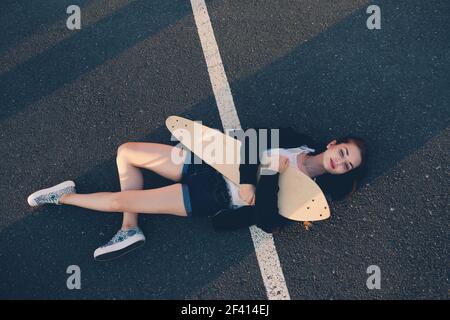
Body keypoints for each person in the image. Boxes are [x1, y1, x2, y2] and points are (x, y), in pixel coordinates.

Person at [27, 127, 367, 261]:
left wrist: (269, 176)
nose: (341, 162)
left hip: (213, 197)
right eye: (344, 152)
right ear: (333, 144)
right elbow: (252, 138)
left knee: (120, 199)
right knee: (127, 151)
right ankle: (129, 227)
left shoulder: (309, 198)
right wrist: (250, 180)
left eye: (348, 165)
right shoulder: (297, 140)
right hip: (210, 164)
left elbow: (266, 220)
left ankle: (63, 197)